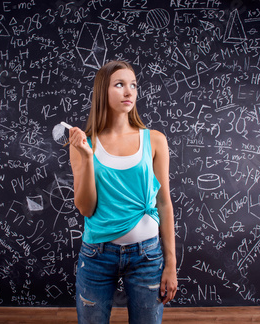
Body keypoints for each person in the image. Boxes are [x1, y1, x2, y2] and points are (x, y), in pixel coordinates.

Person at [68, 60, 178, 324]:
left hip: (147, 256)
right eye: (119, 85)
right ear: (103, 92)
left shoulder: (155, 140)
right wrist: (87, 158)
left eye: (133, 85)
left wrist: (171, 264)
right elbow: (86, 208)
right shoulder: (84, 143)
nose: (129, 92)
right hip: (97, 256)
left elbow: (164, 203)